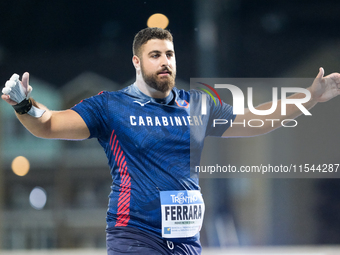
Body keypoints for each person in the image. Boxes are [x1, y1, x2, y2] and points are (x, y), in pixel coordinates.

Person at [2, 27, 340, 255]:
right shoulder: (110, 106)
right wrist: (23, 105)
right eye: (155, 55)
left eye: (170, 54)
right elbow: (48, 124)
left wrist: (309, 97)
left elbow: (256, 120)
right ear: (136, 62)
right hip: (135, 238)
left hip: (187, 241)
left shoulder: (197, 104)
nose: (165, 61)